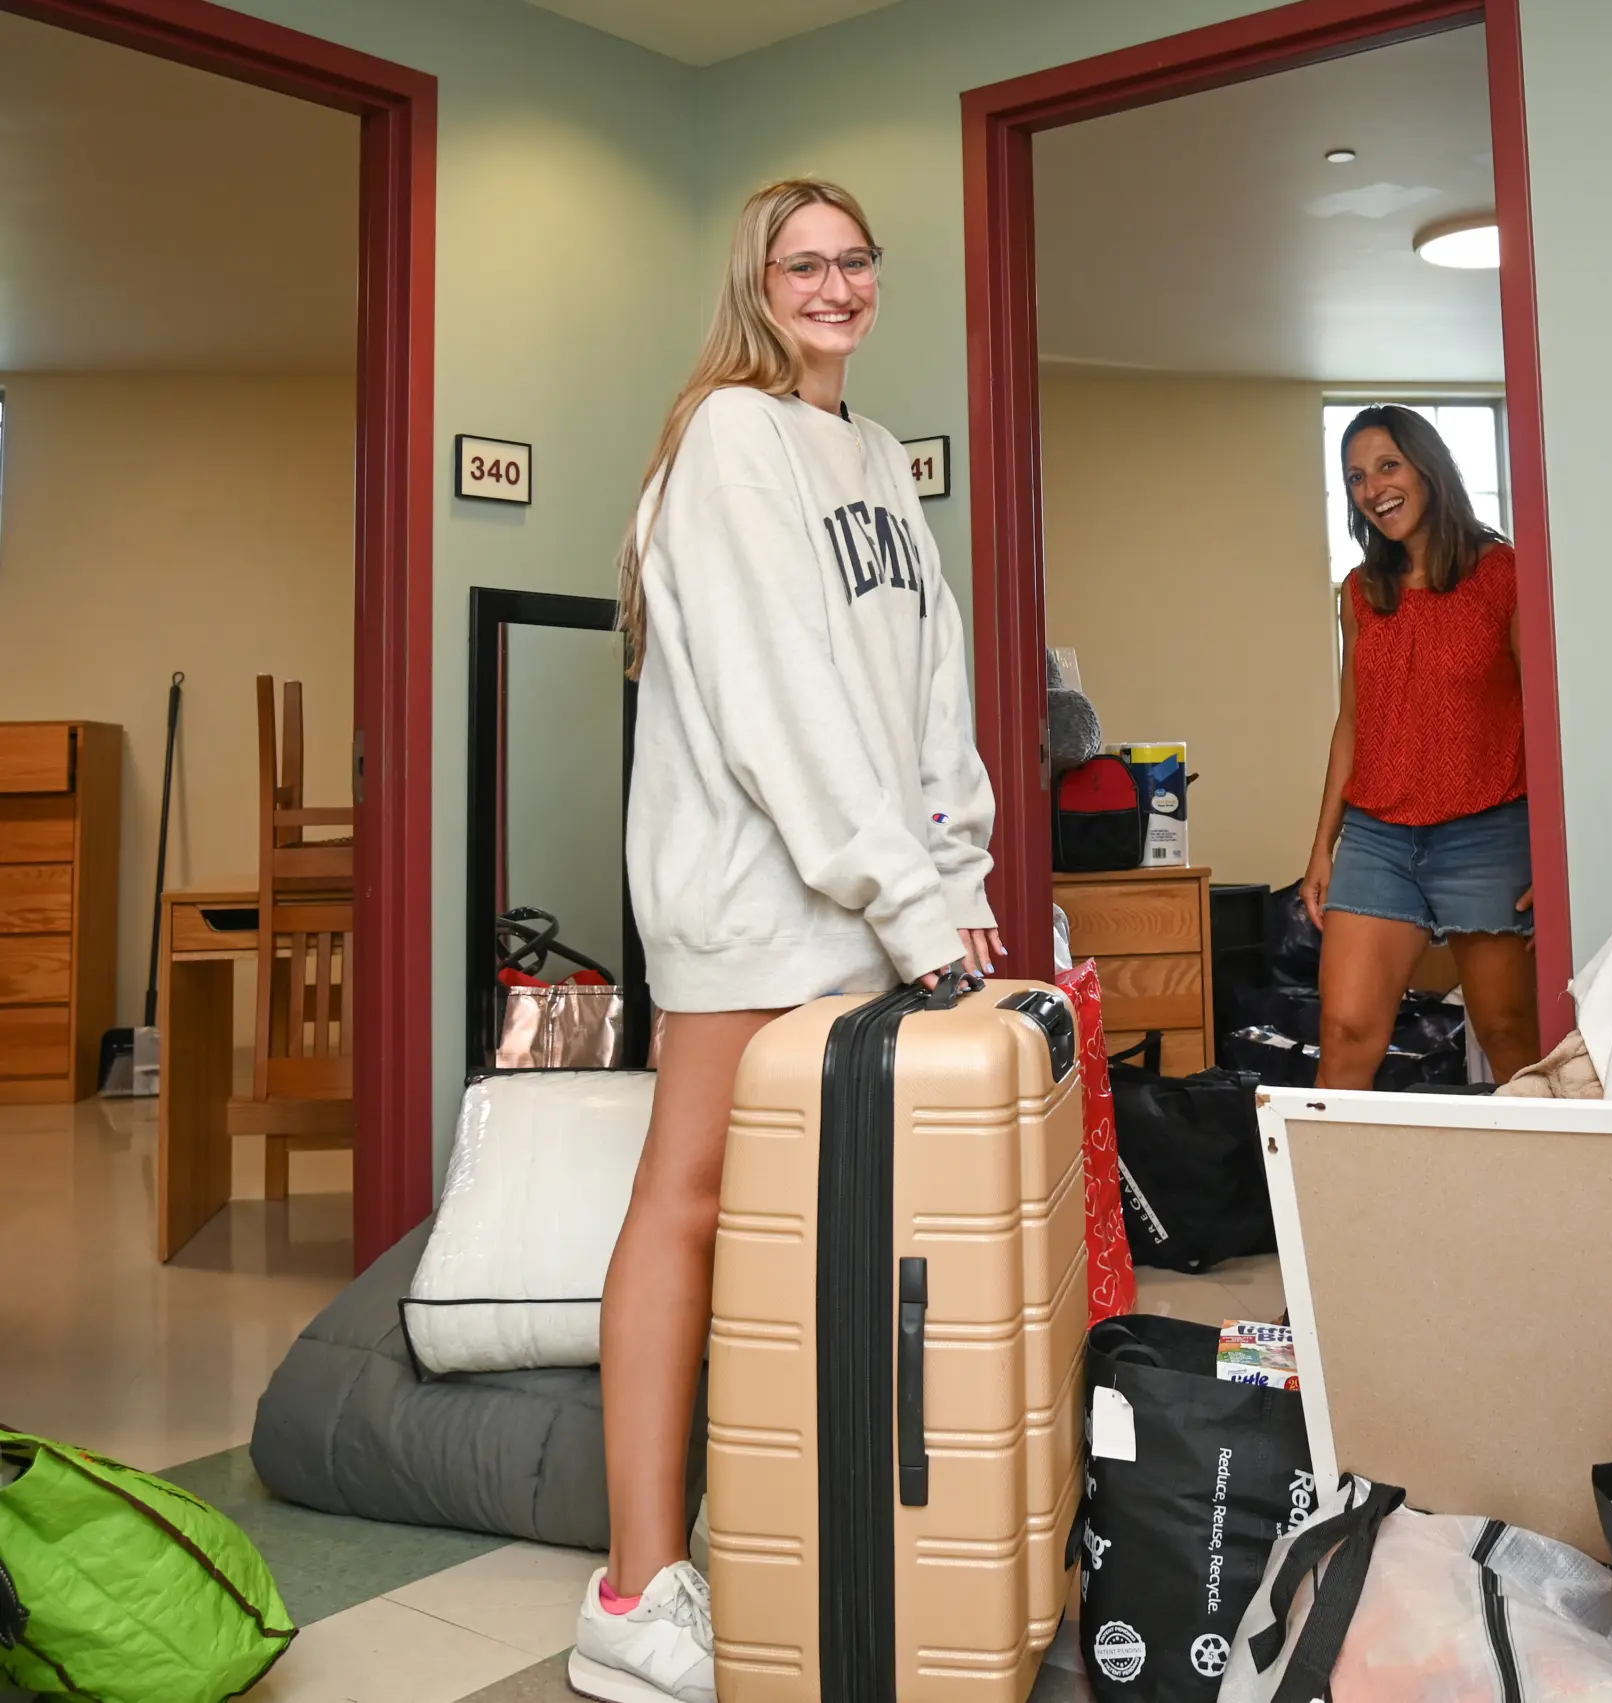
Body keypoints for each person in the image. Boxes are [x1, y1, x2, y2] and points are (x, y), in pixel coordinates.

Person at [571, 178, 1003, 1703]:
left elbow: (925, 686)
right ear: (755, 284)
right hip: (754, 901)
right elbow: (779, 705)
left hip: (876, 905)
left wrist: (959, 868)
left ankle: (775, 1525)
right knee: (688, 1198)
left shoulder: (878, 458)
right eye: (800, 263)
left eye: (852, 261)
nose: (832, 286)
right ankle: (634, 1586)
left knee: (823, 1222)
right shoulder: (728, 442)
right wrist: (902, 890)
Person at [1303, 405, 1540, 1091]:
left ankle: (1545, 1196)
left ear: (1427, 467)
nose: (1372, 489)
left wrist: (1555, 857)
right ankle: (1330, 1200)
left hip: (1489, 834)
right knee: (1344, 1033)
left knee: (1509, 1037)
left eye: (1387, 466)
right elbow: (1353, 721)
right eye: (1355, 477)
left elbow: (1543, 715)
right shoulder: (1360, 591)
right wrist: (1323, 846)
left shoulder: (1503, 575)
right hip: (1379, 840)